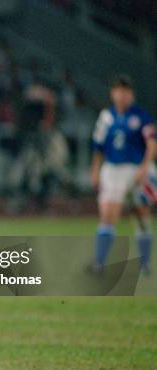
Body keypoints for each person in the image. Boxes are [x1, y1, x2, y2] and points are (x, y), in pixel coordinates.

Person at [91, 75, 155, 275]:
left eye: (125, 91)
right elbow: (98, 147)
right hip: (113, 169)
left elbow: (152, 142)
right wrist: (95, 169)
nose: (121, 95)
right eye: (118, 90)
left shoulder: (141, 116)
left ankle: (145, 265)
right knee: (108, 215)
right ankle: (99, 263)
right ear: (112, 93)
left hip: (135, 169)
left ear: (131, 94)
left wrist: (146, 166)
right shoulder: (106, 117)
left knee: (141, 215)